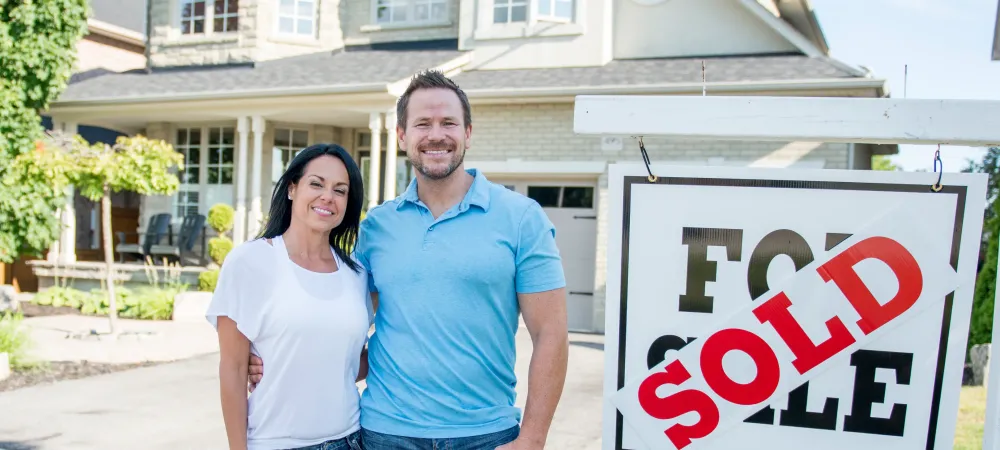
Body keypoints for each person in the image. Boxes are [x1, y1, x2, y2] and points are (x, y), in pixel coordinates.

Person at [250, 70, 570, 449]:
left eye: (448, 122)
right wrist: (268, 355)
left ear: (468, 132)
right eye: (422, 123)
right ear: (402, 136)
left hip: (485, 435)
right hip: (385, 432)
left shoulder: (521, 218)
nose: (436, 134)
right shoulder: (378, 227)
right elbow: (343, 324)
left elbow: (551, 334)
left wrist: (532, 438)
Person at [207, 143, 373, 450]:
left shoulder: (357, 274)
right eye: (316, 184)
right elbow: (231, 368)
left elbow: (353, 362)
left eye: (340, 190)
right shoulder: (249, 263)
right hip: (275, 442)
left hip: (350, 438)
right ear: (292, 188)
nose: (328, 196)